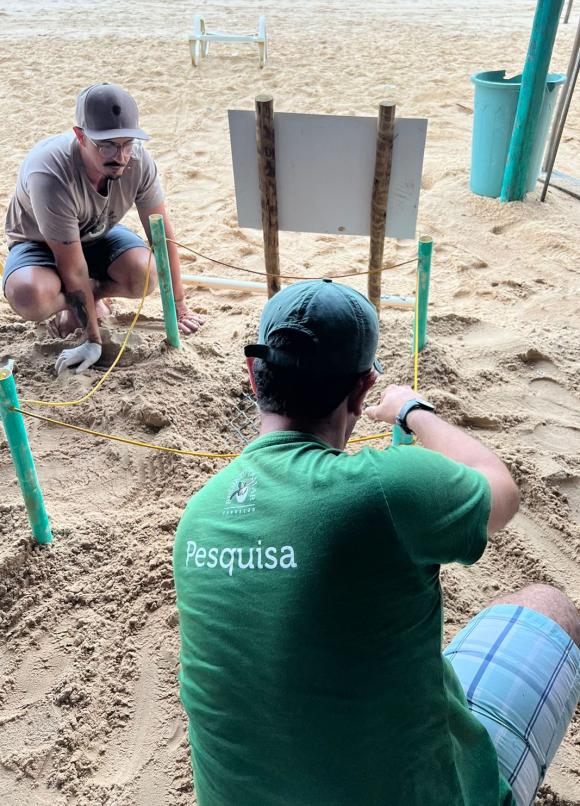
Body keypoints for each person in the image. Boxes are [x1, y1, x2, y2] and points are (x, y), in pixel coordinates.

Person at [173, 279, 580, 806]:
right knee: (547, 605)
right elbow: (501, 491)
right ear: (363, 390)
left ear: (253, 373)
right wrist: (413, 410)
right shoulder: (387, 486)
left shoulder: (199, 513)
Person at [2, 82, 203, 374]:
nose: (119, 156)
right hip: (40, 243)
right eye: (107, 145)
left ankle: (89, 295)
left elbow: (162, 236)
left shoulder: (138, 161)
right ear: (80, 136)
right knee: (29, 295)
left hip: (96, 233)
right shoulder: (49, 173)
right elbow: (72, 267)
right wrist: (93, 340)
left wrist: (180, 305)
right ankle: (73, 305)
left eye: (127, 143)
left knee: (145, 273)